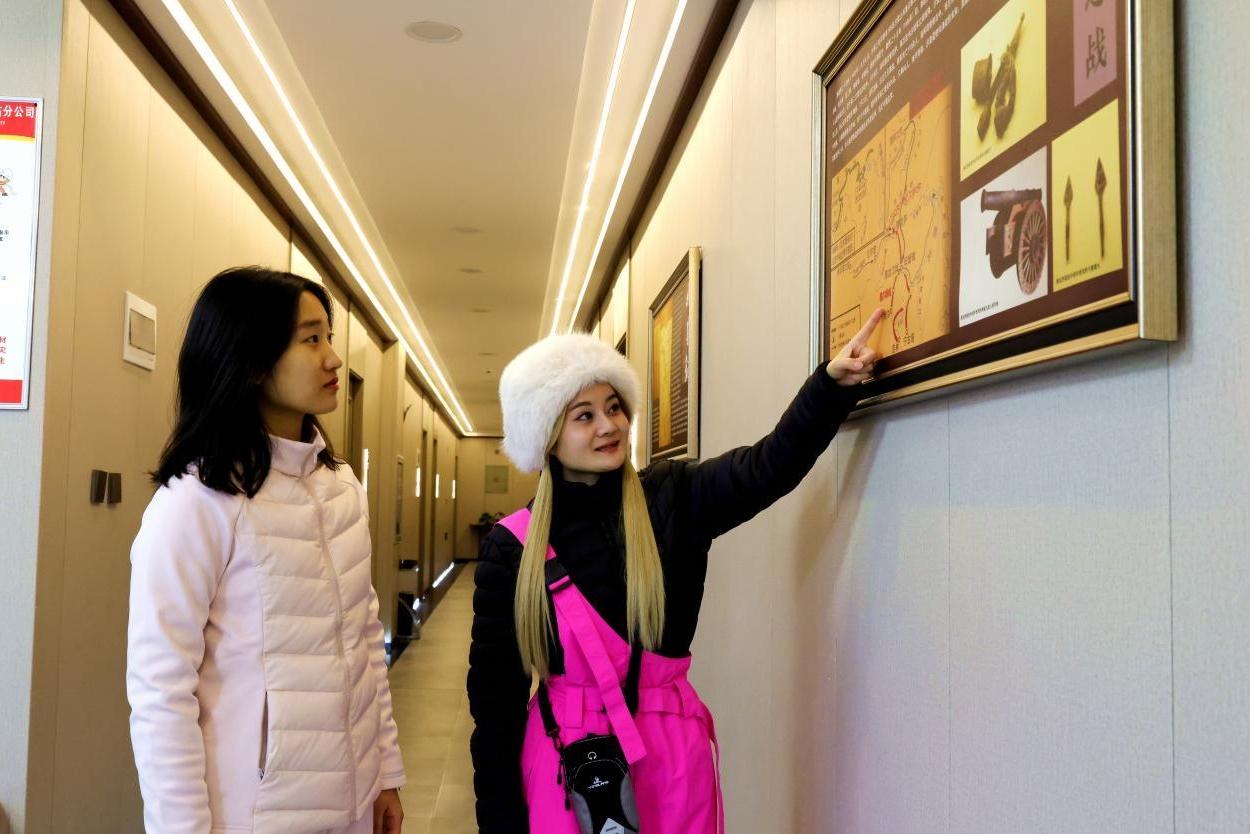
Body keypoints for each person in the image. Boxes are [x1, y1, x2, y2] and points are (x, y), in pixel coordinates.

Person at [467, 310, 884, 833]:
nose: (609, 426)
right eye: (584, 416)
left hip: (671, 762)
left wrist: (829, 388)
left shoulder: (672, 498)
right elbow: (495, 707)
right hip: (563, 767)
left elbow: (766, 467)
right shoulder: (513, 548)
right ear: (548, 436)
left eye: (613, 407)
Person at [126, 267, 405, 834]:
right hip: (251, 812)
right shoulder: (197, 501)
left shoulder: (342, 487)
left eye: (329, 336)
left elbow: (364, 640)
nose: (332, 358)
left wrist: (385, 773)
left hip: (352, 799)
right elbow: (161, 689)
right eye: (311, 339)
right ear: (251, 360)